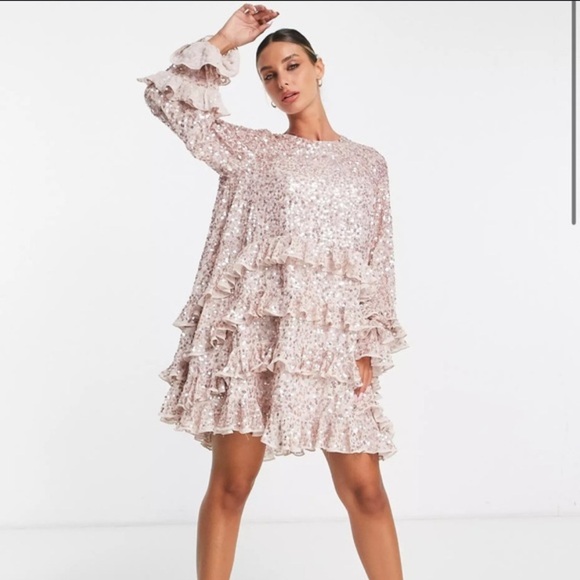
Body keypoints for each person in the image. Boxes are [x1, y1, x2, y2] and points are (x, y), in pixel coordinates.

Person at [138, 3, 409, 579]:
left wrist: (367, 342)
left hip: (333, 348)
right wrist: (226, 39)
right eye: (268, 75)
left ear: (318, 67)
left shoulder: (368, 164)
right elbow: (166, 100)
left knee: (366, 491)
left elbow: (376, 258)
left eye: (292, 66)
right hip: (257, 346)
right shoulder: (254, 152)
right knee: (232, 486)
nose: (282, 81)